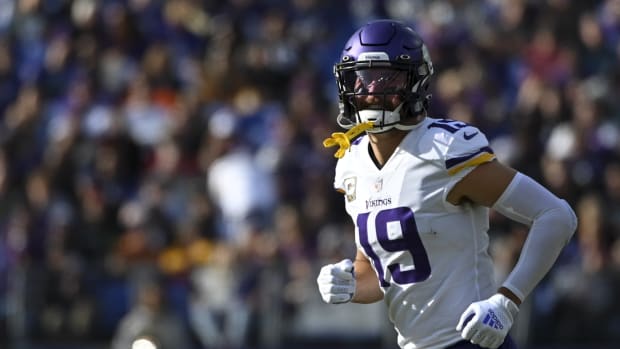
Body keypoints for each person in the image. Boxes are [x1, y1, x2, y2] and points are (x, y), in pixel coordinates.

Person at [316, 19, 577, 349]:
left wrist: (507, 301)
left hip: (469, 341)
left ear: (415, 82)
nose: (371, 90)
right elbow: (378, 273)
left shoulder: (444, 150)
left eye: (386, 77)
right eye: (363, 78)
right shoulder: (352, 165)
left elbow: (556, 215)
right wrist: (350, 283)